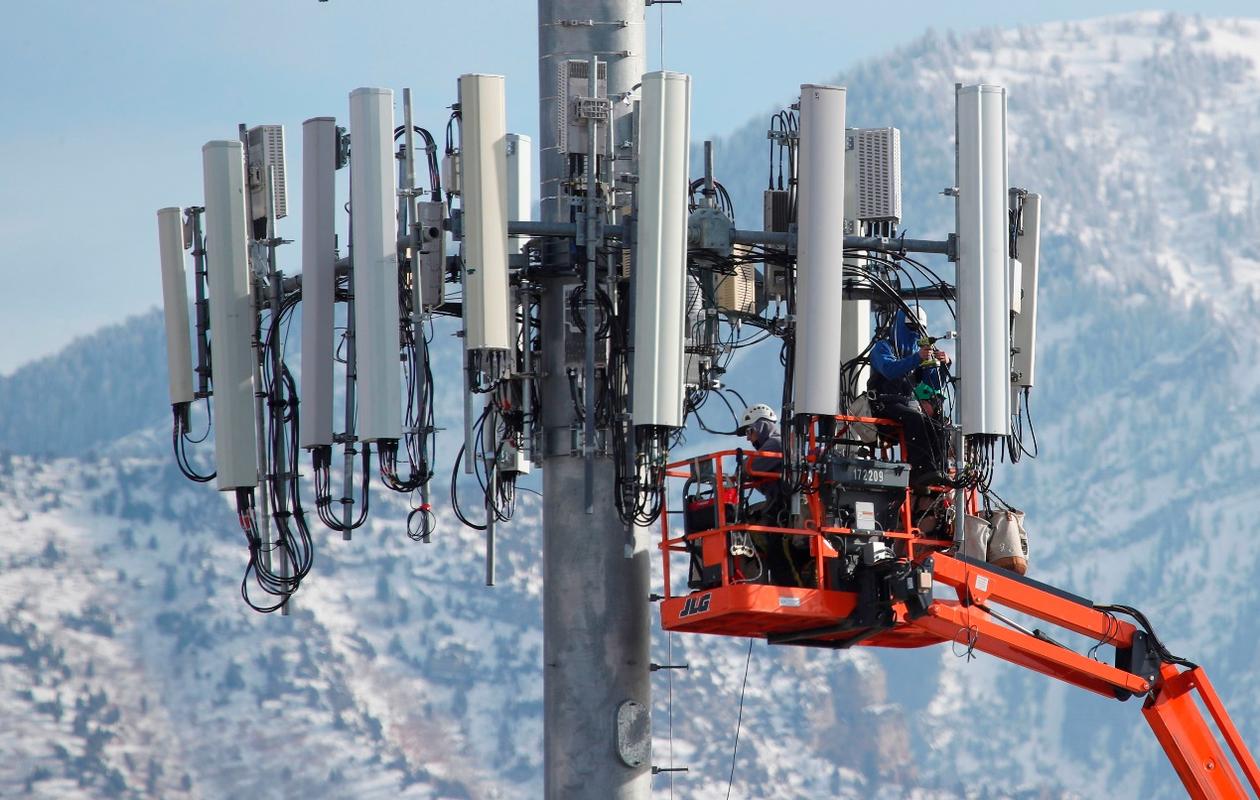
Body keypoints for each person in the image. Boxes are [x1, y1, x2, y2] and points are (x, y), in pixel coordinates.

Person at [867, 307, 951, 488]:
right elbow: (889, 370)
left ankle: (939, 469)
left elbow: (933, 384)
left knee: (937, 423)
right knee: (914, 418)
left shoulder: (918, 353)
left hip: (906, 404)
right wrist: (916, 358)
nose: (914, 332)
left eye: (919, 329)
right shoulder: (883, 347)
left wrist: (942, 365)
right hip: (884, 403)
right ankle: (920, 469)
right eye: (911, 327)